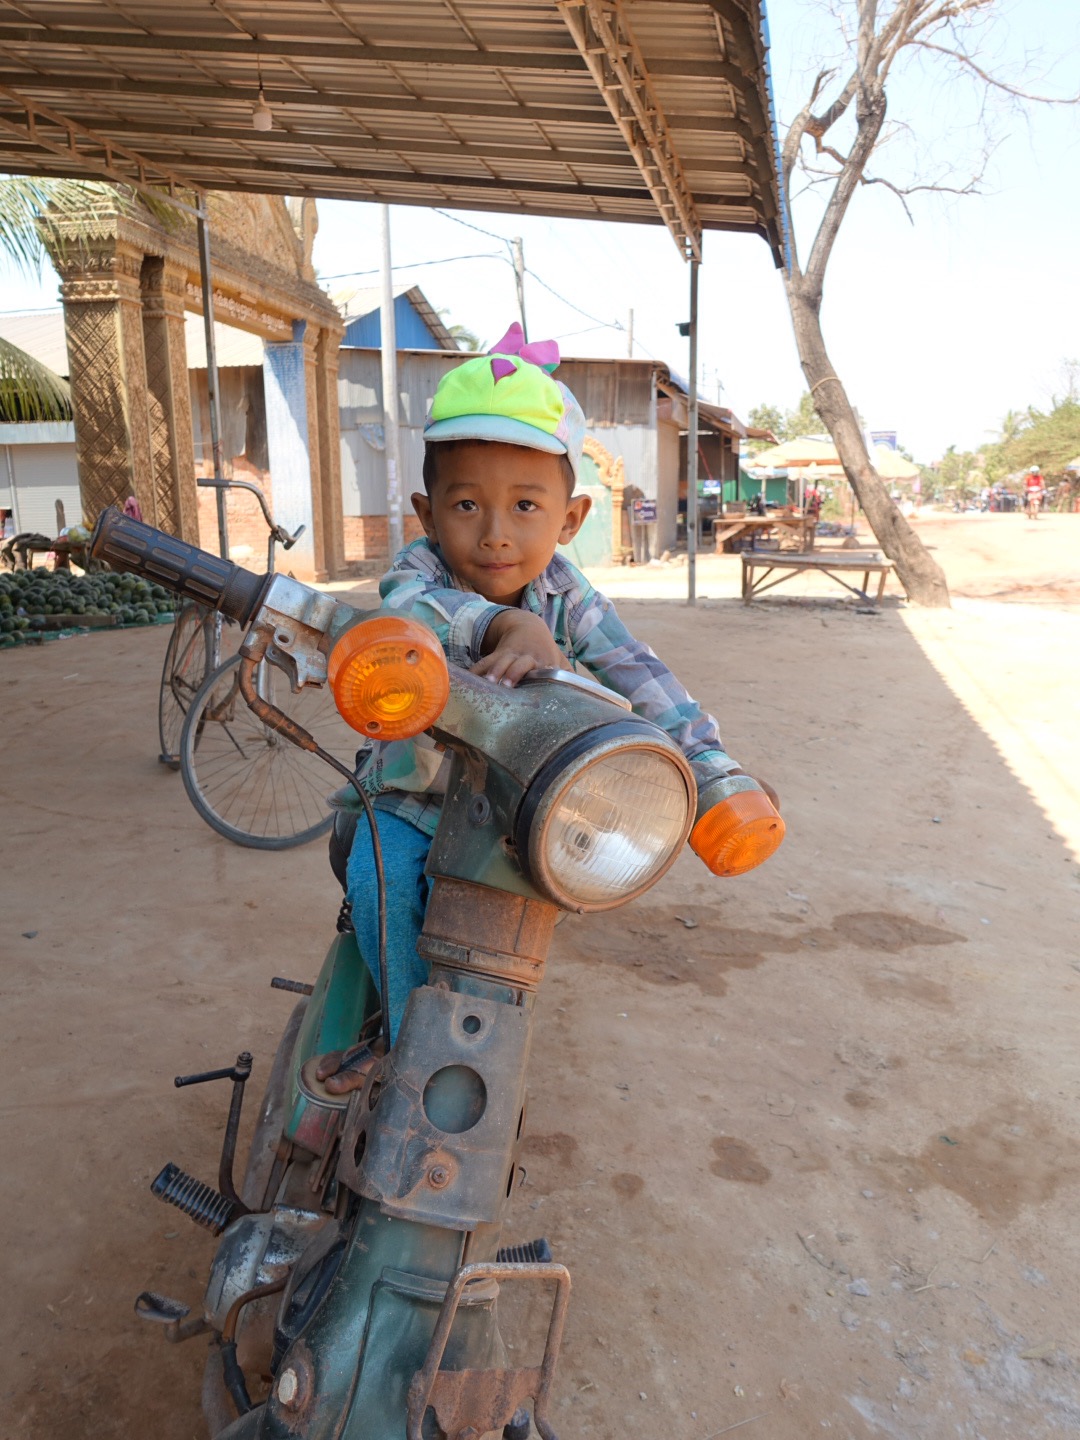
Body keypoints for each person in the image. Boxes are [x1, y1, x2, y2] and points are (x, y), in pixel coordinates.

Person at [317, 325, 777, 1092]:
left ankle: (474, 1028)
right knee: (381, 882)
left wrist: (711, 768)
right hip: (408, 796)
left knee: (522, 915)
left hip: (516, 807)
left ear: (570, 519)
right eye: (467, 504)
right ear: (428, 514)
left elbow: (640, 674)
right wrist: (502, 625)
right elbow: (412, 611)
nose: (496, 534)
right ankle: (402, 1040)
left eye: (526, 505)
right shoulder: (418, 570)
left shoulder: (570, 594)